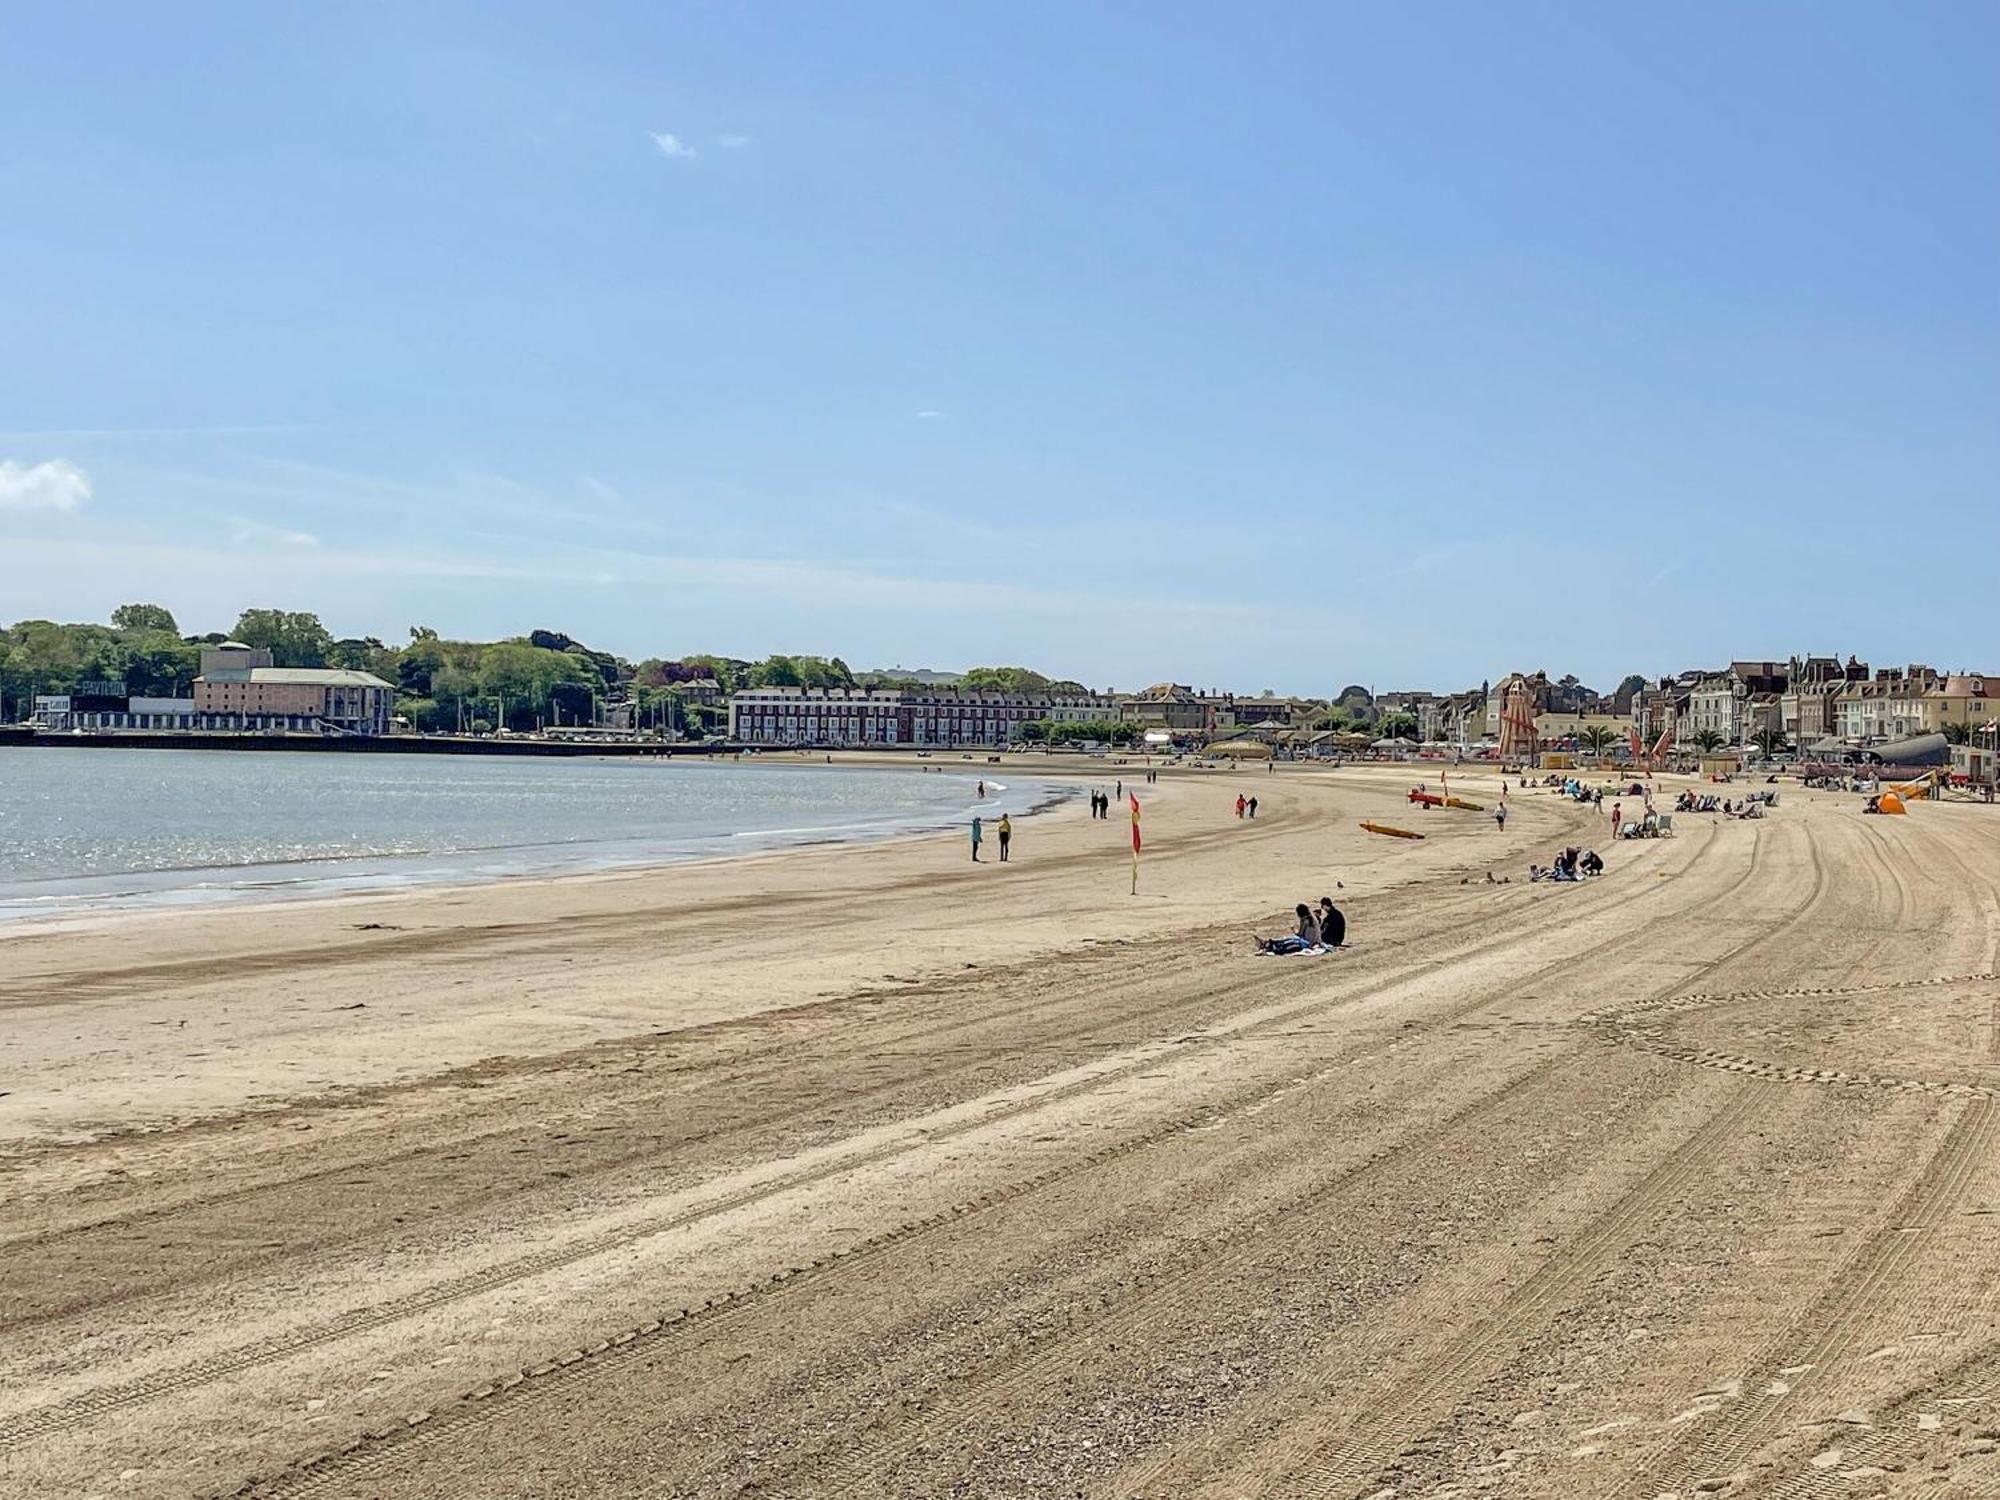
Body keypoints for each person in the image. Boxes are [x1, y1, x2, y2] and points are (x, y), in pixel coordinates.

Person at [1254, 904, 1321, 955]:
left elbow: (1300, 934)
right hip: (1314, 941)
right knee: (1287, 940)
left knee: (1287, 941)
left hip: (1306, 942)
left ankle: (1268, 944)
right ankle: (1268, 944)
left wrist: (1294, 930)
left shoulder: (1305, 920)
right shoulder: (1312, 919)